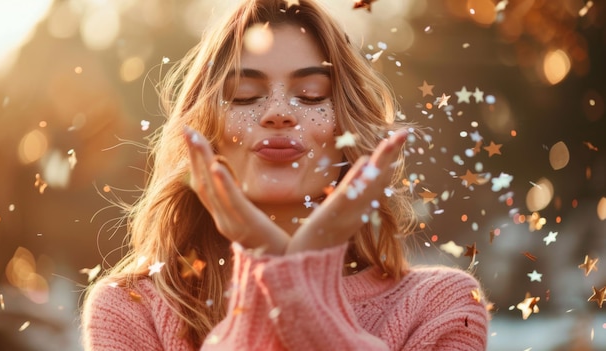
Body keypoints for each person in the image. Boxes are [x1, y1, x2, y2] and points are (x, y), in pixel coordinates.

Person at [81, 0, 489, 350]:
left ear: (348, 126)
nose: (278, 112)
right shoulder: (132, 307)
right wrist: (273, 264)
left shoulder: (441, 305)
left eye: (311, 93)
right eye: (245, 95)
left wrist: (289, 274)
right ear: (206, 131)